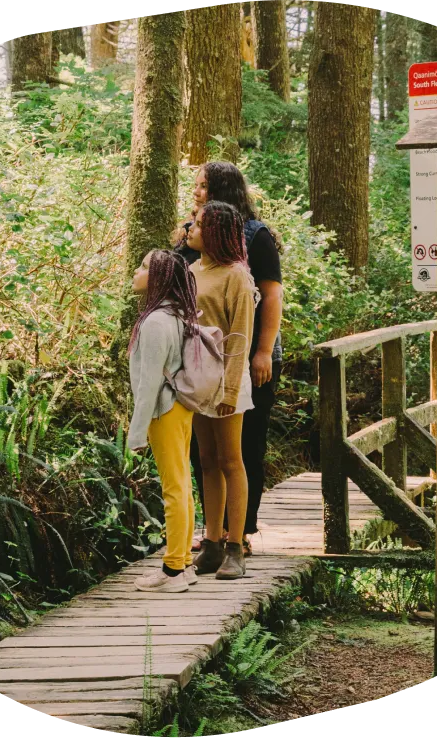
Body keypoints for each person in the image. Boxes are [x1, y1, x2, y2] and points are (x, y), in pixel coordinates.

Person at [175, 162, 283, 557]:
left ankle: (241, 533)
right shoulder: (193, 238)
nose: (196, 192)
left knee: (244, 448)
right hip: (200, 363)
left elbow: (270, 295)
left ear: (222, 190)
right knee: (204, 455)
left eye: (203, 186)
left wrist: (264, 351)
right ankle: (214, 534)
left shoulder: (254, 238)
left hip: (245, 356)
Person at [185, 201, 257, 580]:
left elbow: (240, 336)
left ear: (214, 233)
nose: (189, 229)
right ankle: (211, 543)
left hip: (228, 378)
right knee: (207, 460)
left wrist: (230, 389)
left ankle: (235, 547)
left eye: (196, 225)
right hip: (198, 379)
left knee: (231, 460)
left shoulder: (237, 277)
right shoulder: (192, 270)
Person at [127, 250, 202, 593]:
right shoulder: (176, 314)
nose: (136, 271)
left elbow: (149, 383)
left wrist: (136, 431)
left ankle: (173, 570)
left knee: (174, 487)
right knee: (182, 484)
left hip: (165, 410)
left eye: (144, 267)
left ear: (158, 279)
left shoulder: (156, 321)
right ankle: (183, 563)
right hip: (179, 408)